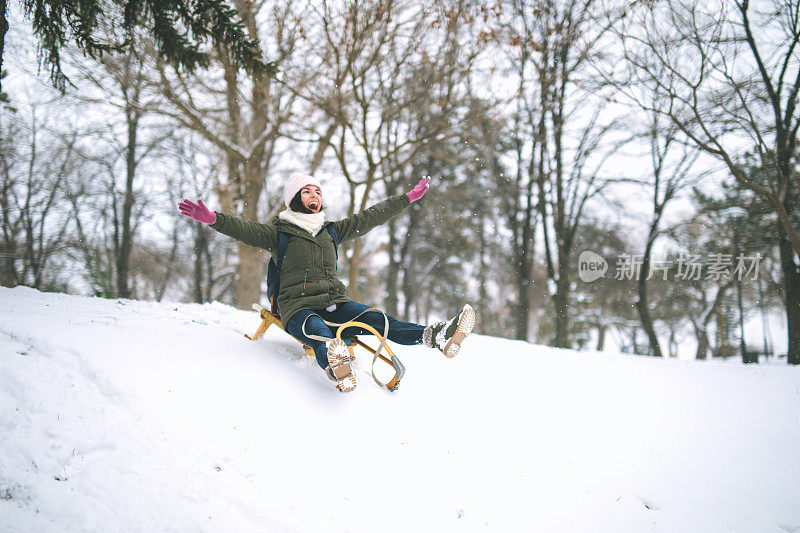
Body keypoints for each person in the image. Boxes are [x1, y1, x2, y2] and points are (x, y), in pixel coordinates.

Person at [178, 174, 475, 392]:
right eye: (306, 191)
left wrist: (406, 199)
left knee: (376, 319)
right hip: (298, 308)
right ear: (295, 199)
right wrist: (214, 218)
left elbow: (371, 217)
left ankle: (436, 336)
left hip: (335, 303)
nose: (314, 195)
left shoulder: (332, 231)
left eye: (317, 191)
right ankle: (337, 368)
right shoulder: (279, 233)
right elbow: (245, 229)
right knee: (317, 331)